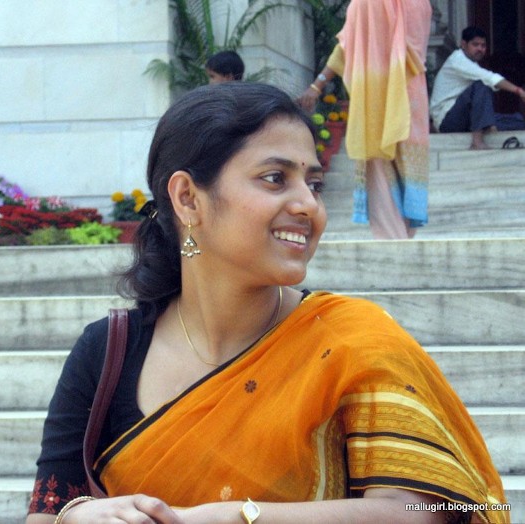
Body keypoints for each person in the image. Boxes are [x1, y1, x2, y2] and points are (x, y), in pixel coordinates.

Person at [26, 82, 507, 524]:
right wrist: (76, 517)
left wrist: (235, 517)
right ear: (188, 198)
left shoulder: (351, 342)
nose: (309, 205)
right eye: (276, 178)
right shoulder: (107, 351)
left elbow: (427, 511)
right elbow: (46, 514)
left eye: (313, 184)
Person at [299, 0, 432, 240]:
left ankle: (392, 238)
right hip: (412, 95)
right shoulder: (421, 3)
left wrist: (316, 86)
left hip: (378, 93)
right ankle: (403, 236)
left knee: (379, 166)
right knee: (406, 166)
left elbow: (347, 47)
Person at [430, 26, 525, 150]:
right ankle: (477, 141)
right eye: (475, 45)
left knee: (516, 121)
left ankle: (489, 125)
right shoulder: (458, 60)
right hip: (447, 121)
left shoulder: (471, 64)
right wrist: (519, 91)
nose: (480, 49)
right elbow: (489, 78)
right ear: (463, 44)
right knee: (482, 84)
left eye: (483, 45)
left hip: (466, 119)